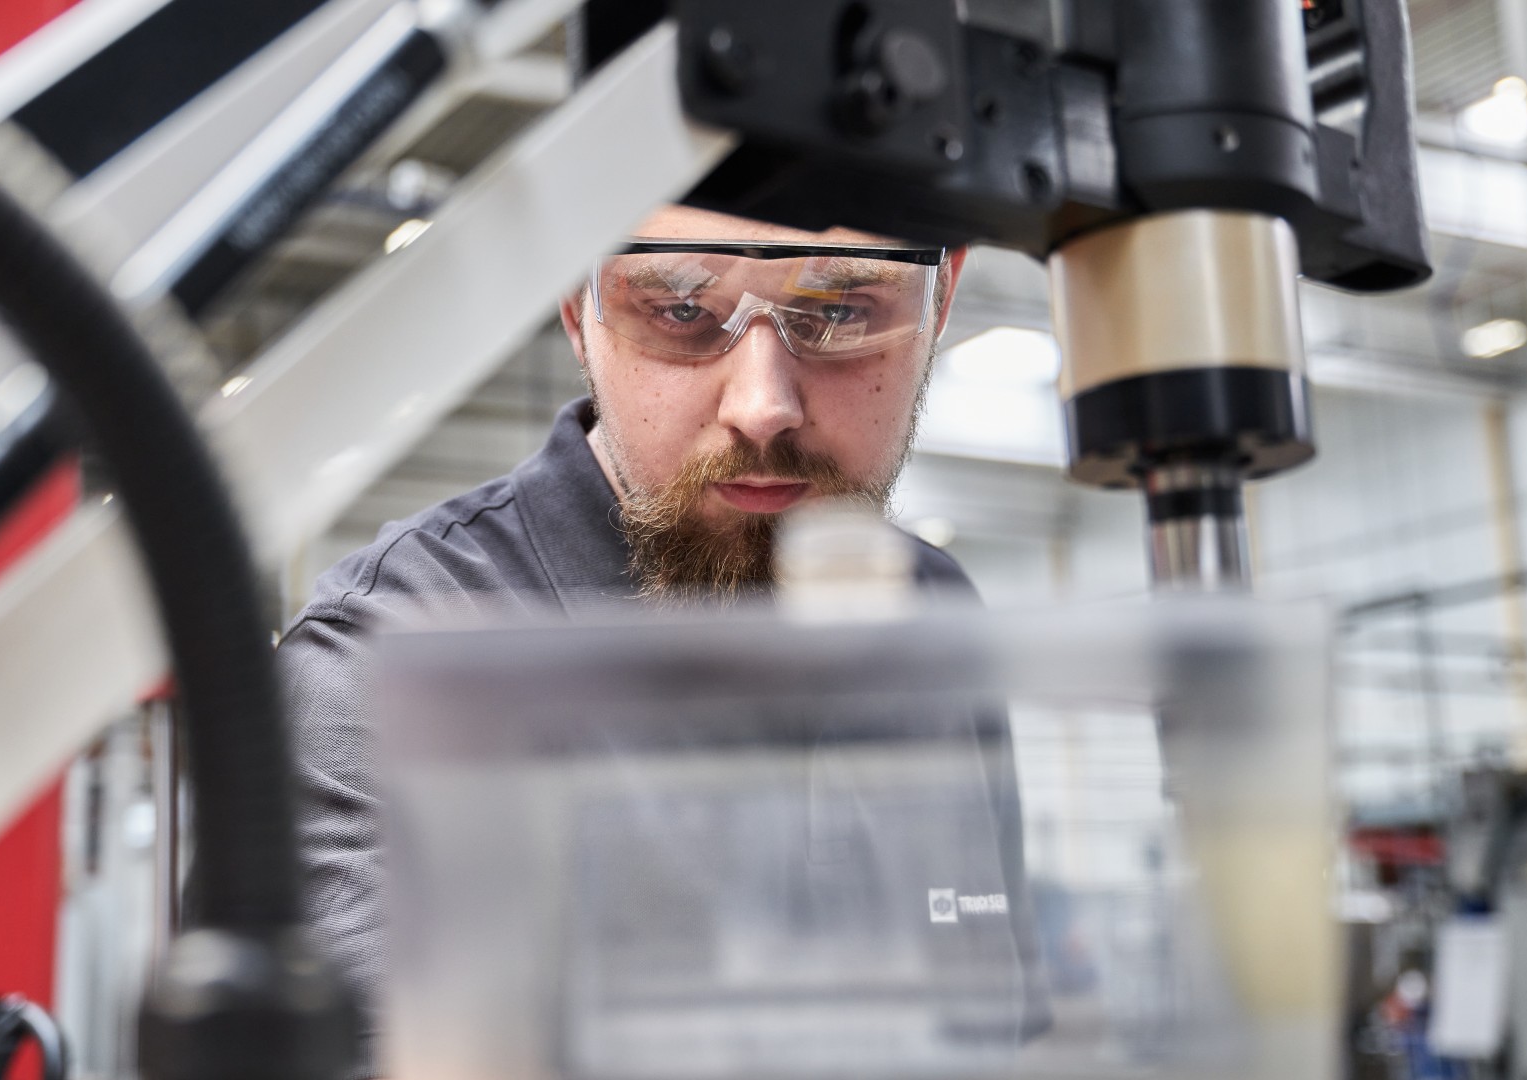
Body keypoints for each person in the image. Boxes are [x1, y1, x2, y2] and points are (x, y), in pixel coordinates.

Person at [276, 203, 999, 1019]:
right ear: (576, 310)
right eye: (682, 311)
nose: (763, 407)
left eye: (839, 312)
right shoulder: (391, 666)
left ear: (940, 300)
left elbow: (989, 1027)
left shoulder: (938, 618)